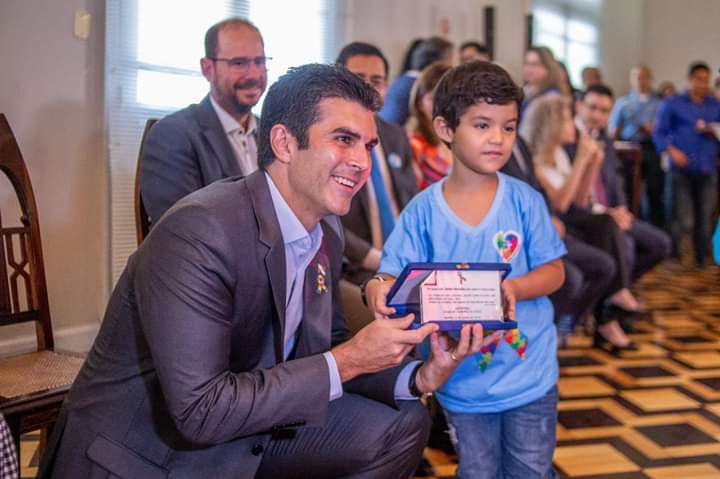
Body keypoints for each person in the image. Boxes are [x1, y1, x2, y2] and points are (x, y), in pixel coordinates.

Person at [38, 64, 490, 479]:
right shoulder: (200, 231)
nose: (362, 162)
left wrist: (421, 376)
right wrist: (351, 358)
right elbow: (199, 410)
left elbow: (326, 345)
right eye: (343, 139)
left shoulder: (326, 230)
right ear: (284, 143)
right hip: (155, 450)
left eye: (368, 145)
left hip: (249, 420)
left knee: (403, 420)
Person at [367, 61, 565, 479]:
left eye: (508, 127)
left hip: (529, 375)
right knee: (476, 470)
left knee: (531, 470)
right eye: (482, 125)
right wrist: (377, 287)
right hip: (462, 382)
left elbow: (555, 271)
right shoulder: (422, 211)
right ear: (445, 128)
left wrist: (517, 288)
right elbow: (391, 274)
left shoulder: (525, 201)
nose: (498, 138)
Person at [520, 94, 633, 350]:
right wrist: (581, 160)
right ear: (551, 125)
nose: (573, 124)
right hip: (556, 227)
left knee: (606, 233)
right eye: (568, 119)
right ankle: (585, 317)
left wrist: (593, 164)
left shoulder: (559, 154)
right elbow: (562, 204)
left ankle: (578, 319)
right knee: (597, 256)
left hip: (570, 222)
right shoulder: (535, 161)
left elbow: (581, 201)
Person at [140, 17, 268, 224]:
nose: (253, 74)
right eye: (239, 63)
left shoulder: (274, 135)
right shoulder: (172, 136)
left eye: (259, 61)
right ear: (208, 68)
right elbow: (183, 229)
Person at [335, 42, 418, 286]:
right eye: (358, 78)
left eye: (376, 80)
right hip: (354, 269)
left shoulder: (396, 136)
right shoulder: (327, 139)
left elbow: (411, 202)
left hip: (404, 266)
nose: (367, 87)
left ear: (386, 88)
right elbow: (324, 219)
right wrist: (376, 259)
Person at [653, 61, 720, 267]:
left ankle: (701, 257)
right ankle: (674, 254)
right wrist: (672, 151)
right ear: (689, 79)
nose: (703, 84)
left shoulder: (714, 105)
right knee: (682, 217)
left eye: (706, 80)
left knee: (705, 214)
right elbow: (658, 133)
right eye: (699, 79)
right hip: (681, 168)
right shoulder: (673, 103)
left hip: (707, 167)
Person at [609, 65, 665, 230]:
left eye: (643, 77)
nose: (640, 81)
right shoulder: (623, 102)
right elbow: (613, 129)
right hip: (629, 149)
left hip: (651, 148)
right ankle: (633, 226)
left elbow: (664, 129)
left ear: (650, 79)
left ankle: (655, 227)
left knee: (654, 190)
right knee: (629, 189)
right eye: (636, 77)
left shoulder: (659, 103)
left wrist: (653, 129)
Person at [379, 36, 453, 126]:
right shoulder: (420, 85)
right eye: (449, 58)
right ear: (437, 62)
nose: (452, 64)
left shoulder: (403, 78)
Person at [407, 62, 453, 189]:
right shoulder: (414, 145)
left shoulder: (463, 139)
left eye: (450, 98)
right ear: (419, 103)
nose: (443, 105)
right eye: (434, 98)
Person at [521, 46, 569, 116]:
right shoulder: (526, 92)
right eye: (526, 63)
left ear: (548, 68)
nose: (528, 69)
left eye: (534, 64)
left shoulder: (552, 98)